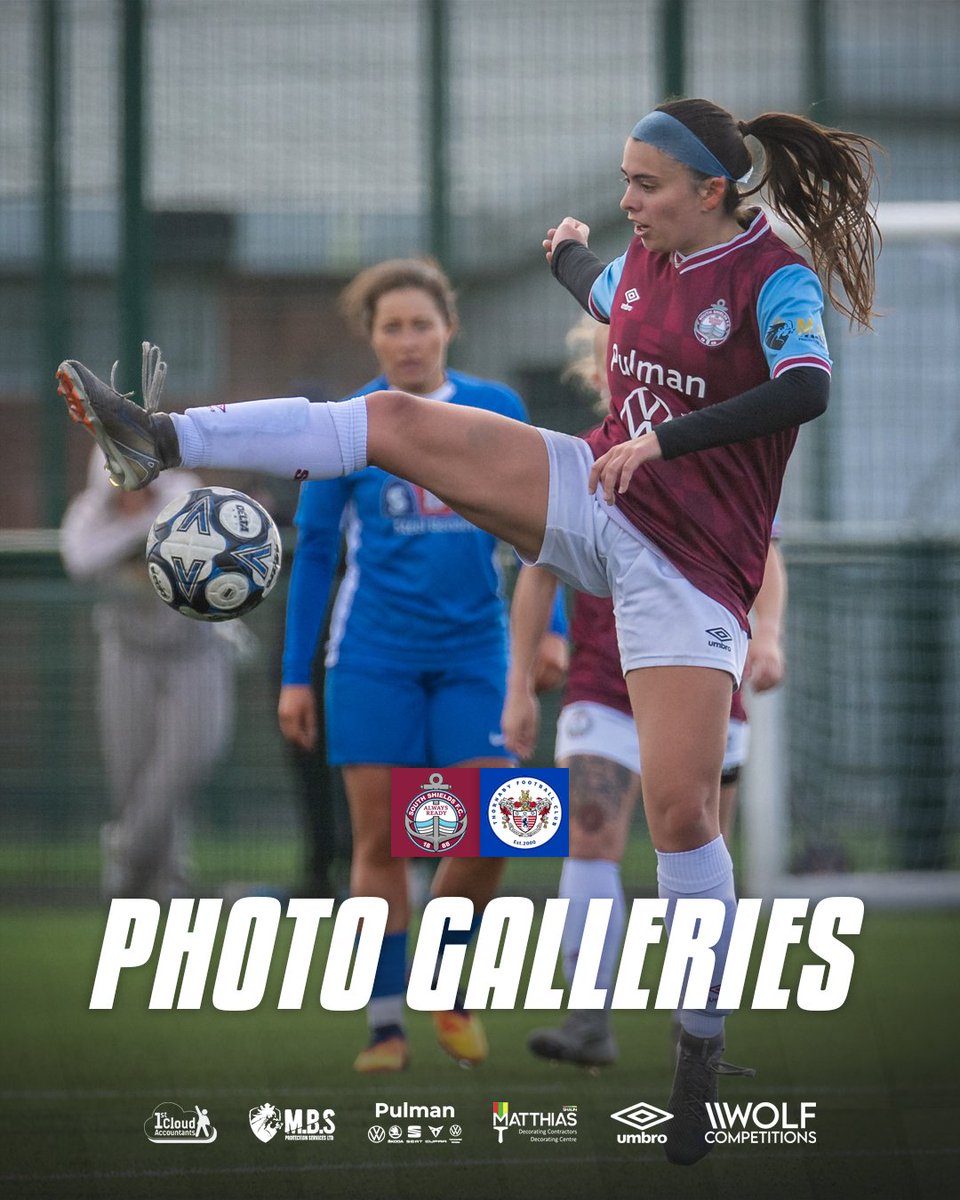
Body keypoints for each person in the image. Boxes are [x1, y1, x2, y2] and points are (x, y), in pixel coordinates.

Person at [56, 97, 879, 1165]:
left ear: (712, 192)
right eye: (621, 183)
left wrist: (666, 439)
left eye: (645, 186)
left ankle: (700, 1047)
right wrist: (571, 257)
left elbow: (807, 388)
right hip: (596, 496)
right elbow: (611, 295)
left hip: (690, 569)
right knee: (390, 423)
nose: (626, 201)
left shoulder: (775, 278)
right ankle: (158, 436)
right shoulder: (639, 258)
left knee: (678, 814)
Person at [274, 257, 548, 1073]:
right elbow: (316, 552)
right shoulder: (347, 422)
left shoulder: (498, 409)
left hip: (476, 653)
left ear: (448, 329)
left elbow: (540, 524)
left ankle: (448, 984)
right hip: (372, 657)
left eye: (420, 324)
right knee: (381, 843)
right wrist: (297, 675)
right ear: (373, 336)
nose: (407, 339)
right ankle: (386, 1026)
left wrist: (552, 628)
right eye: (390, 326)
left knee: (499, 821)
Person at [503, 316, 788, 1071]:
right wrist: (519, 687)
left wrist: (768, 634)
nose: (617, 368)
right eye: (605, 360)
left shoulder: (718, 454)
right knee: (589, 832)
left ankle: (696, 1032)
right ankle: (589, 1018)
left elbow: (768, 553)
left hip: (699, 681)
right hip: (603, 681)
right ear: (596, 373)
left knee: (697, 842)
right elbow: (535, 573)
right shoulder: (576, 461)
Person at [60, 449, 237, 901]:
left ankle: (126, 849)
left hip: (195, 647)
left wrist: (133, 536)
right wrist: (141, 533)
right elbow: (79, 558)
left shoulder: (182, 491)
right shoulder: (90, 511)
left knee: (190, 755)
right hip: (128, 651)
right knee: (130, 771)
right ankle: (161, 882)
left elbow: (205, 536)